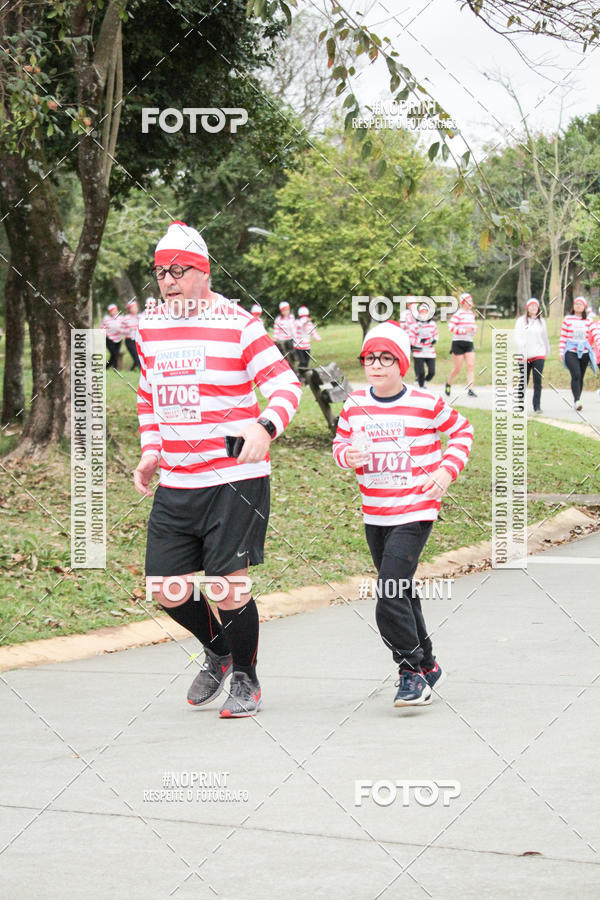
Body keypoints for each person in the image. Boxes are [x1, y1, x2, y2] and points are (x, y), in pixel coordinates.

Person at [134, 221, 301, 718]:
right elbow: (147, 396)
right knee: (167, 588)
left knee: (228, 586)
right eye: (160, 272)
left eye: (178, 271)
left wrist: (265, 427)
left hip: (234, 478)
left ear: (203, 272)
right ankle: (220, 651)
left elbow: (286, 385)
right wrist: (150, 450)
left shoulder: (239, 323)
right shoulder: (149, 327)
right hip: (177, 480)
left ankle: (246, 676)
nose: (167, 281)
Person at [333, 321, 473, 707]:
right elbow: (339, 445)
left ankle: (410, 672)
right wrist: (347, 456)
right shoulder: (354, 405)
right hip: (375, 513)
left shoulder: (426, 402)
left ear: (402, 363)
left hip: (415, 508)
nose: (376, 365)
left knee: (389, 590)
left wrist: (446, 472)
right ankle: (428, 665)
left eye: (386, 358)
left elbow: (462, 432)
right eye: (370, 358)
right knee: (403, 590)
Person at [559, 295, 597, 411]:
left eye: (580, 304)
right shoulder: (568, 319)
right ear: (573, 306)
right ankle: (577, 400)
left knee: (581, 376)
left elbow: (595, 334)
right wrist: (561, 351)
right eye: (576, 304)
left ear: (584, 307)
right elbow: (563, 337)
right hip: (571, 350)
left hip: (584, 351)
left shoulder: (589, 320)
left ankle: (578, 399)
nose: (578, 306)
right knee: (576, 374)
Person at [514, 298, 550, 415]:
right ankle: (520, 403)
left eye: (535, 306)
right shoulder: (521, 321)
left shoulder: (541, 322)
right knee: (524, 380)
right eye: (531, 306)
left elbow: (545, 337)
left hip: (539, 354)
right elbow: (516, 336)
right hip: (524, 355)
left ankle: (537, 406)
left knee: (537, 380)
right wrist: (521, 344)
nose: (533, 308)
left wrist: (547, 351)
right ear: (527, 308)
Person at [445, 292, 478, 397]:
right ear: (463, 302)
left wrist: (474, 329)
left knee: (470, 366)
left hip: (469, 342)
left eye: (471, 301)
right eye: (468, 301)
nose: (470, 303)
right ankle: (448, 383)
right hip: (458, 343)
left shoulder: (471, 314)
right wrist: (464, 330)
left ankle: (470, 389)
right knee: (458, 369)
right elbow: (450, 327)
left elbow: (472, 327)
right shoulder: (458, 314)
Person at [408, 302, 438, 388]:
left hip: (430, 350)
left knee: (432, 372)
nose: (424, 314)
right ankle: (421, 387)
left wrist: (434, 340)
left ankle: (424, 381)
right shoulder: (415, 325)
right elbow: (411, 338)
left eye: (425, 312)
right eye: (422, 312)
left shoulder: (432, 324)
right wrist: (419, 340)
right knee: (421, 372)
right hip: (419, 351)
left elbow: (436, 335)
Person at [293, 305, 322, 379]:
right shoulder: (297, 322)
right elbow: (298, 326)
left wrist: (317, 337)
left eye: (306, 316)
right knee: (302, 362)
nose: (305, 318)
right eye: (303, 316)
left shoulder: (309, 324)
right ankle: (298, 375)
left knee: (306, 362)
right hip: (298, 346)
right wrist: (304, 321)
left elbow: (313, 332)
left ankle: (304, 376)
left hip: (307, 346)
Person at [273, 301, 296, 367]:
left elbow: (294, 327)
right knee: (284, 356)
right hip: (282, 340)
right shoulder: (278, 319)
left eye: (287, 310)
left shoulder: (291, 317)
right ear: (281, 311)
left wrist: (295, 335)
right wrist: (275, 340)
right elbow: (276, 331)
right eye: (284, 310)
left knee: (292, 355)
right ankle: (285, 367)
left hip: (290, 339)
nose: (286, 312)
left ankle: (292, 367)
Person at [102, 303, 123, 370]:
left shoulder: (121, 318)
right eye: (113, 311)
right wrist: (106, 333)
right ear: (110, 312)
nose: (115, 312)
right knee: (114, 353)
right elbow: (102, 328)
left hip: (118, 339)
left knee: (115, 354)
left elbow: (124, 327)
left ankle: (113, 368)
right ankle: (109, 367)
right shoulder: (106, 319)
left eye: (115, 310)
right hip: (109, 339)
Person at [122, 299, 141, 370]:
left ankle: (131, 370)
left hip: (138, 340)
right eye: (134, 308)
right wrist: (129, 330)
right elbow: (121, 330)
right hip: (129, 340)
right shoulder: (126, 318)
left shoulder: (139, 317)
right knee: (136, 356)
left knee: (139, 356)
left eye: (136, 307)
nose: (135, 309)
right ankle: (140, 370)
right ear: (130, 309)